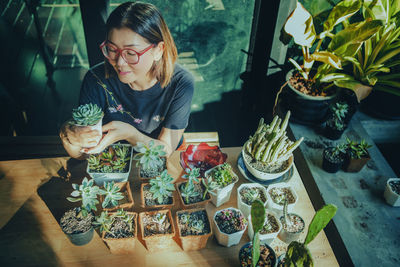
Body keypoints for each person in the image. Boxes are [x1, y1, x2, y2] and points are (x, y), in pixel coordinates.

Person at [59, 1, 194, 160]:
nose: (119, 62)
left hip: (159, 162)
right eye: (112, 49)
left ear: (158, 50)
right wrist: (69, 135)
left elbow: (166, 150)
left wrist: (130, 134)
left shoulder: (181, 83)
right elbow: (81, 155)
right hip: (115, 159)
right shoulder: (96, 79)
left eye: (131, 53)